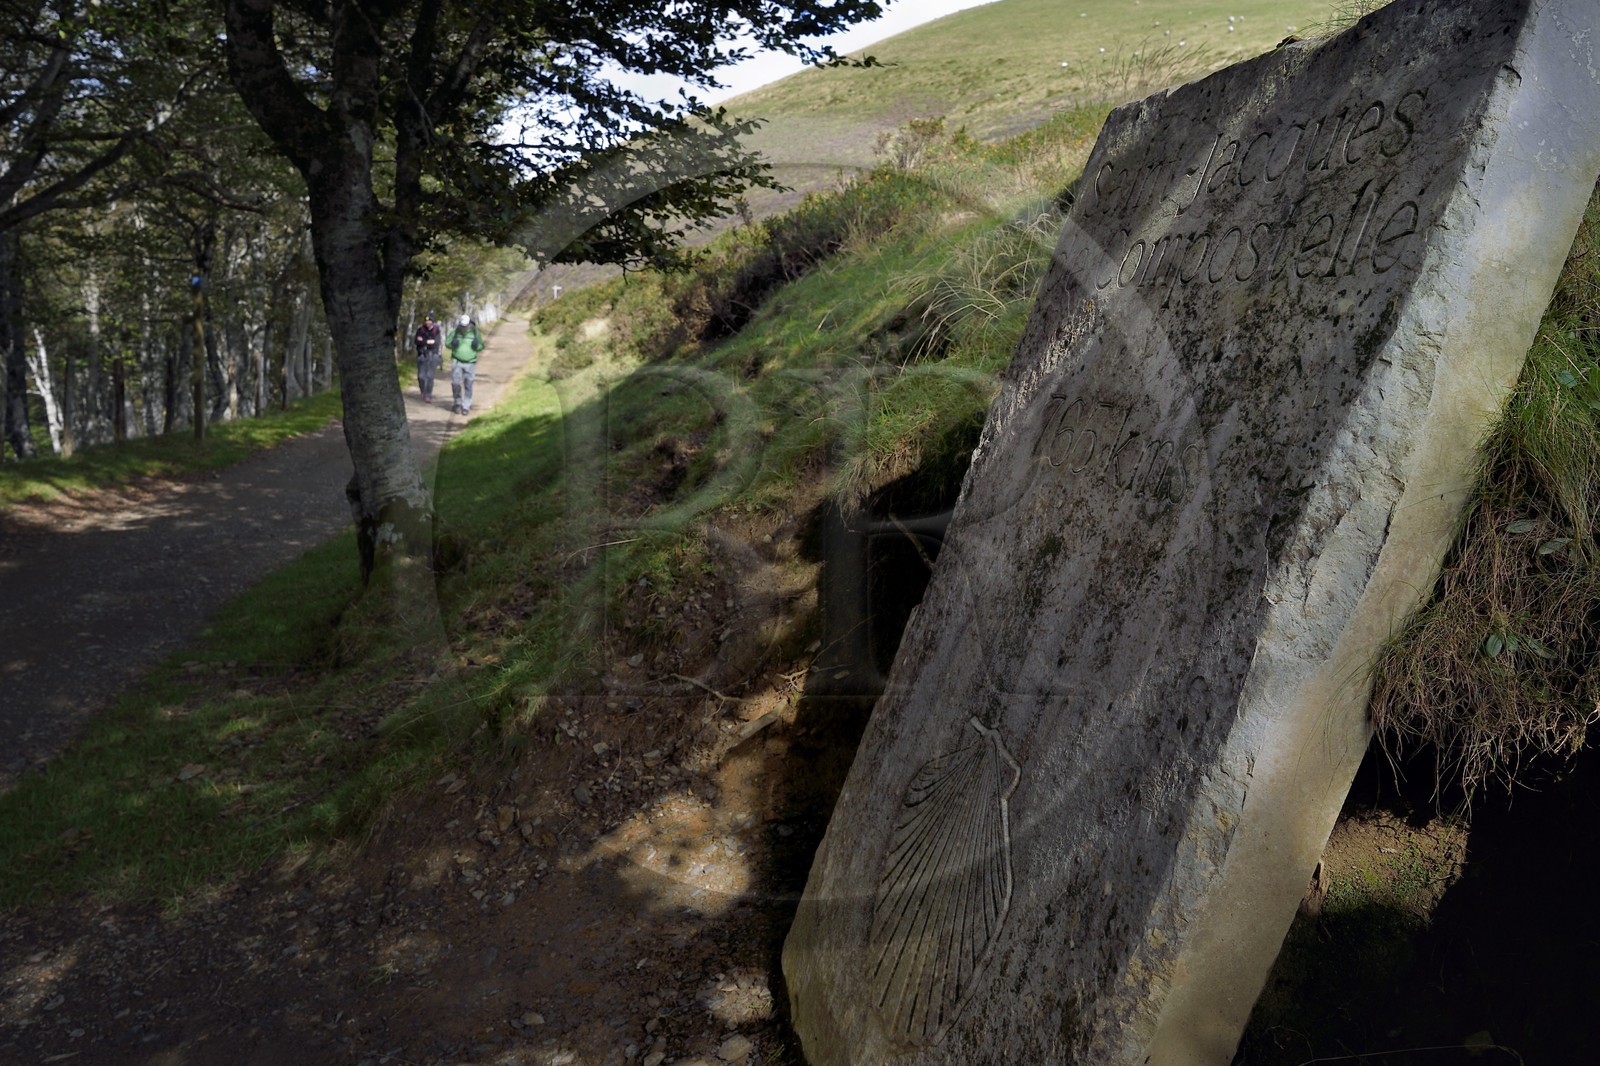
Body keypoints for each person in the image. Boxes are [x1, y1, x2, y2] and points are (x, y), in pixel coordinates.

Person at [447, 314, 484, 415]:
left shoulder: (475, 333)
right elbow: (447, 343)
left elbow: (481, 346)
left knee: (468, 384)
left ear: (469, 324)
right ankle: (458, 403)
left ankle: (466, 406)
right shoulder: (455, 331)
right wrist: (452, 344)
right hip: (457, 361)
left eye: (465, 326)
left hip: (470, 362)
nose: (463, 328)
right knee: (455, 383)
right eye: (462, 325)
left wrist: (476, 346)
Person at [413, 313, 442, 402]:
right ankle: (423, 391)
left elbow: (436, 343)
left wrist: (423, 341)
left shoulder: (436, 331)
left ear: (432, 322)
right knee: (421, 376)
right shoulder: (420, 330)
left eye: (430, 321)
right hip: (422, 355)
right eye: (426, 321)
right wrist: (427, 342)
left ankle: (428, 395)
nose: (428, 322)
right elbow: (416, 341)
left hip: (433, 355)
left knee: (430, 376)